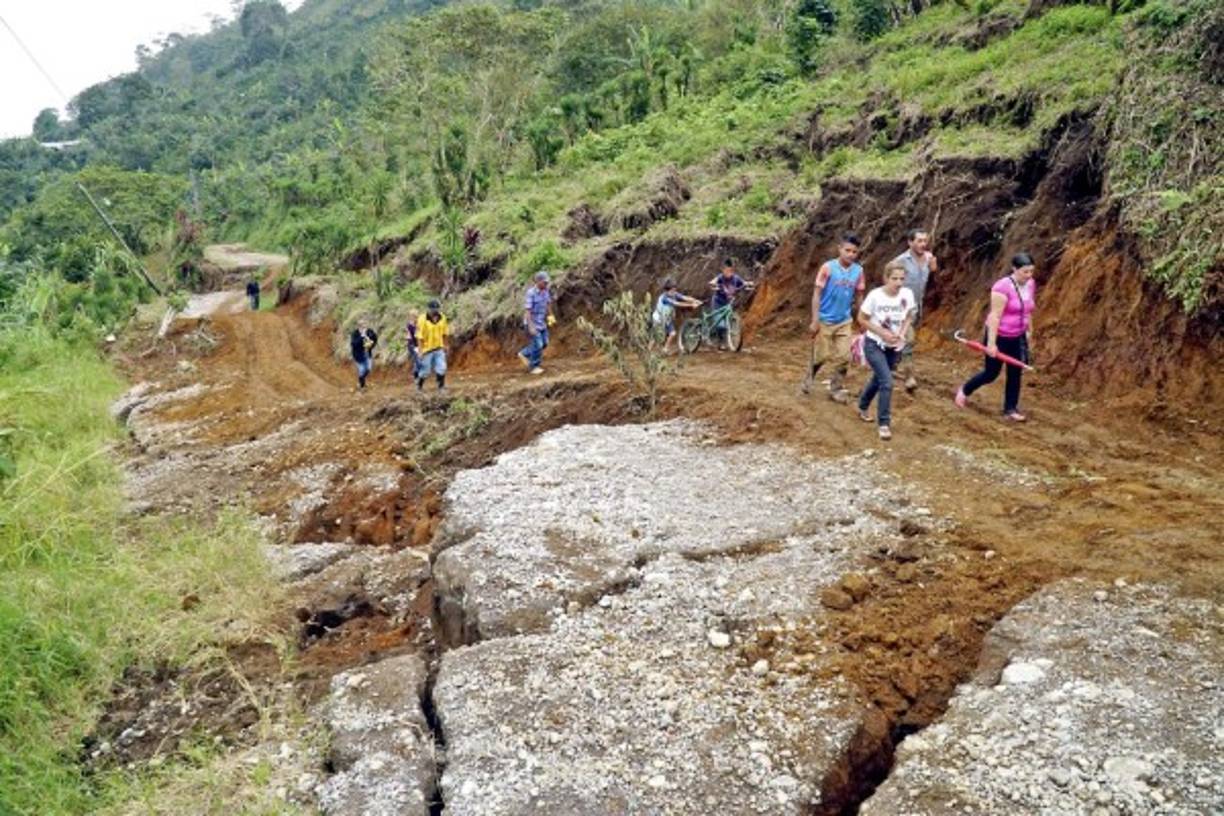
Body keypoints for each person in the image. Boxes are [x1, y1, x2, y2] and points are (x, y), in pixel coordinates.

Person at [955, 253, 1036, 421]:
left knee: (1015, 372)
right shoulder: (1002, 287)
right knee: (991, 373)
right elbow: (995, 316)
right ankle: (965, 390)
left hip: (1018, 336)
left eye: (1031, 272)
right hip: (999, 335)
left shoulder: (1030, 284)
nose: (1029, 276)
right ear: (1014, 269)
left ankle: (1010, 409)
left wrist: (1029, 332)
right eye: (1025, 272)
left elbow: (1028, 311)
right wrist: (991, 344)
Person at [802, 234, 866, 402]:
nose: (851, 254)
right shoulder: (828, 268)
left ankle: (836, 388)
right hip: (825, 319)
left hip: (844, 320)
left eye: (854, 252)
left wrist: (862, 318)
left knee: (845, 357)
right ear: (839, 249)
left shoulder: (858, 271)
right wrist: (815, 320)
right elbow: (817, 294)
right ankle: (810, 374)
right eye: (847, 250)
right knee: (822, 356)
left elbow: (859, 296)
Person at [856, 260, 916, 440]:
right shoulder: (875, 296)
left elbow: (909, 316)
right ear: (886, 278)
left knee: (879, 378)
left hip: (894, 345)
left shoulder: (907, 294)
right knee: (887, 382)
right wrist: (882, 333)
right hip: (874, 344)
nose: (898, 283)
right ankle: (884, 424)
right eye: (894, 278)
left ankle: (862, 405)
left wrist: (902, 334)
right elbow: (862, 319)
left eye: (902, 279)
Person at [893, 229, 938, 392]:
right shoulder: (900, 261)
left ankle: (891, 364)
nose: (922, 244)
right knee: (908, 341)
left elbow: (931, 281)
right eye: (919, 241)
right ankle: (909, 376)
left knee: (902, 340)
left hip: (916, 307)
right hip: (901, 308)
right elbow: (888, 279)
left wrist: (933, 270)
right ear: (910, 242)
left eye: (924, 241)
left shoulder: (928, 258)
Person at [707, 258, 755, 350]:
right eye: (726, 270)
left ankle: (726, 342)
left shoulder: (736, 278)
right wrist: (713, 284)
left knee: (727, 323)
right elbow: (713, 282)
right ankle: (719, 341)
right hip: (718, 303)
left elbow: (744, 283)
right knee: (720, 324)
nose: (728, 272)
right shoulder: (720, 277)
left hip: (728, 303)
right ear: (723, 270)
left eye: (730, 270)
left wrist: (749, 284)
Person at [518, 271, 555, 375]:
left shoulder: (545, 291)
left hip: (541, 323)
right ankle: (533, 366)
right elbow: (527, 311)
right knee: (538, 345)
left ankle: (524, 353)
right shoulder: (531, 293)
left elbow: (548, 305)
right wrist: (531, 327)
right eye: (544, 282)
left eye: (547, 282)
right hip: (532, 323)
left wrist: (551, 318)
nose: (546, 284)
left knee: (545, 343)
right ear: (538, 281)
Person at [653, 278, 702, 354]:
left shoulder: (674, 294)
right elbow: (677, 304)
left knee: (672, 333)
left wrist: (695, 300)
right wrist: (691, 305)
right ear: (666, 290)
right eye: (672, 290)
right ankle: (648, 351)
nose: (674, 292)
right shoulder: (664, 298)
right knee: (655, 337)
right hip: (659, 319)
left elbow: (685, 298)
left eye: (674, 290)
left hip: (667, 318)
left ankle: (665, 349)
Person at [416, 300, 449, 392]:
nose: (435, 311)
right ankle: (419, 386)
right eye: (433, 309)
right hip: (427, 349)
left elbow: (445, 332)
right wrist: (420, 351)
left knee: (442, 367)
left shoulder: (442, 318)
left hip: (439, 347)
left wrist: (446, 345)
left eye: (436, 309)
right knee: (425, 371)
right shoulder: (422, 319)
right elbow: (419, 336)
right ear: (428, 309)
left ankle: (441, 387)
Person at [350, 324, 377, 390]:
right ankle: (362, 386)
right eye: (362, 327)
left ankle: (361, 381)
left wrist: (371, 345)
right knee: (362, 370)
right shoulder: (355, 334)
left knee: (368, 368)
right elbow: (354, 344)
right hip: (358, 355)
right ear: (359, 327)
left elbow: (375, 338)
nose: (364, 329)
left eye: (365, 327)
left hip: (367, 354)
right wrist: (361, 337)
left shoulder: (369, 332)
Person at [405, 311, 421, 383]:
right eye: (413, 316)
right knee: (417, 360)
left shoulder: (418, 324)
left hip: (417, 344)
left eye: (415, 316)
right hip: (412, 345)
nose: (415, 318)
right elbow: (410, 337)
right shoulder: (409, 325)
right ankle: (416, 376)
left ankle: (417, 375)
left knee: (418, 360)